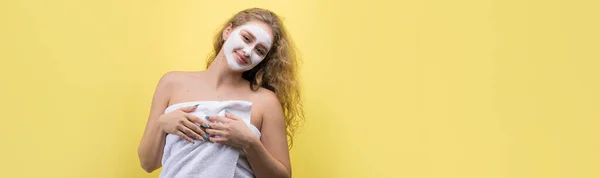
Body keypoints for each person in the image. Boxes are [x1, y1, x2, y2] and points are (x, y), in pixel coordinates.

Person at [137, 7, 304, 178]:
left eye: (259, 50)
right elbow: (148, 163)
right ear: (228, 31)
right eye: (246, 38)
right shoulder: (172, 83)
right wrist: (162, 123)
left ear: (263, 60)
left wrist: (249, 142)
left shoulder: (266, 102)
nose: (248, 51)